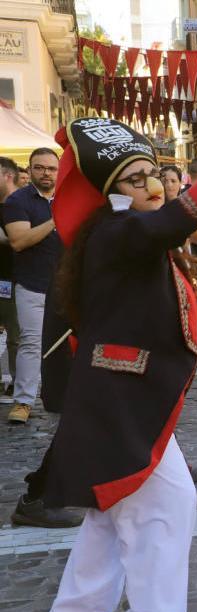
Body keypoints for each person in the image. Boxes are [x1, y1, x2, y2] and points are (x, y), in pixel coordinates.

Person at [42, 119, 197, 612]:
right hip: (119, 403)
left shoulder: (140, 239)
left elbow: (180, 319)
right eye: (135, 178)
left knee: (112, 514)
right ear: (112, 194)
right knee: (166, 502)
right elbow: (170, 221)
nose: (151, 185)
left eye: (155, 175)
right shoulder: (118, 232)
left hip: (122, 403)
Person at [2, 147, 61, 424]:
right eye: (40, 168)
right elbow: (19, 241)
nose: (46, 173)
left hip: (68, 284)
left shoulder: (68, 197)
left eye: (51, 168)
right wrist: (55, 220)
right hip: (32, 283)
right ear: (31, 169)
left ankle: (75, 397)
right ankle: (24, 402)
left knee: (77, 343)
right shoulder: (17, 201)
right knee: (31, 343)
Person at [0, 157, 19, 404]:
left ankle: (16, 381)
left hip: (15, 278)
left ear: (7, 175)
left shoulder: (20, 204)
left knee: (16, 335)